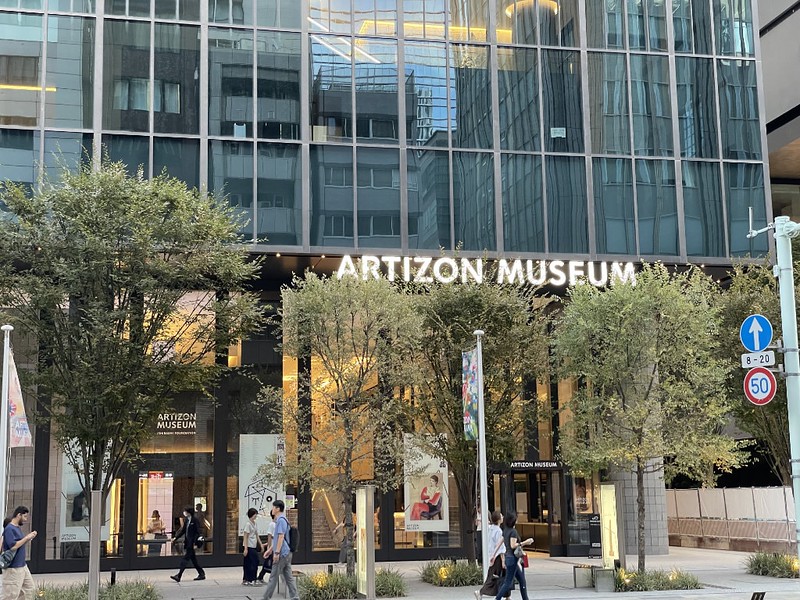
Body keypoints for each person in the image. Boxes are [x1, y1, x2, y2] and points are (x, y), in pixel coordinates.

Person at [260, 499, 298, 600]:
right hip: (286, 552)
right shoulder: (282, 520)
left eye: (273, 507)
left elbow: (281, 537)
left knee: (273, 576)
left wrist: (276, 553)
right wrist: (270, 550)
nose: (272, 509)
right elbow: (278, 539)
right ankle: (295, 597)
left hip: (282, 553)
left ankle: (266, 597)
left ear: (277, 509)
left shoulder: (281, 520)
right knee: (288, 577)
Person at [494, 510, 533, 600]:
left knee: (522, 580)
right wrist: (525, 542)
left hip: (509, 558)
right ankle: (497, 599)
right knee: (508, 582)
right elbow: (513, 545)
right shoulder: (513, 532)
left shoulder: (506, 530)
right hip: (513, 559)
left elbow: (500, 542)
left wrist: (494, 554)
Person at [2, 506, 37, 600]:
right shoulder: (9, 529)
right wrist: (27, 537)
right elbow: (13, 546)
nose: (25, 520)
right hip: (13, 568)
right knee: (10, 595)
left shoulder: (16, 528)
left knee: (29, 590)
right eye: (24, 517)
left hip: (22, 565)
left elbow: (19, 543)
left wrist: (28, 538)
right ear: (19, 515)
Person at [476, 510, 510, 600]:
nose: (503, 517)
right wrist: (503, 559)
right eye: (501, 516)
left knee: (501, 576)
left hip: (492, 555)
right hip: (497, 557)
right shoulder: (498, 531)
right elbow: (501, 547)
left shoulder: (490, 528)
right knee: (495, 576)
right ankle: (480, 592)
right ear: (499, 520)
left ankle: (507, 596)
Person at [170, 506, 205, 582]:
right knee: (194, 560)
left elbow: (198, 532)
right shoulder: (187, 521)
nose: (184, 513)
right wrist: (176, 538)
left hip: (192, 543)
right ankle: (201, 573)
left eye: (185, 511)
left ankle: (179, 575)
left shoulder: (195, 520)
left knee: (185, 559)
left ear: (189, 512)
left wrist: (196, 543)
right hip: (188, 542)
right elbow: (183, 531)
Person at [242, 508, 264, 586]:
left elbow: (256, 535)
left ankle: (247, 579)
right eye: (255, 514)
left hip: (253, 545)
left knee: (250, 562)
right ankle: (251, 579)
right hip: (249, 546)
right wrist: (245, 548)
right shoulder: (248, 524)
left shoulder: (255, 523)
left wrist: (261, 544)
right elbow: (245, 536)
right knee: (253, 562)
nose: (256, 516)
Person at [256, 511, 276, 583]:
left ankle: (261, 576)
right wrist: (269, 547)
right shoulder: (272, 524)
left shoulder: (277, 524)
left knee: (271, 563)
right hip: (272, 547)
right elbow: (270, 536)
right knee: (268, 563)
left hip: (275, 546)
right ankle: (261, 577)